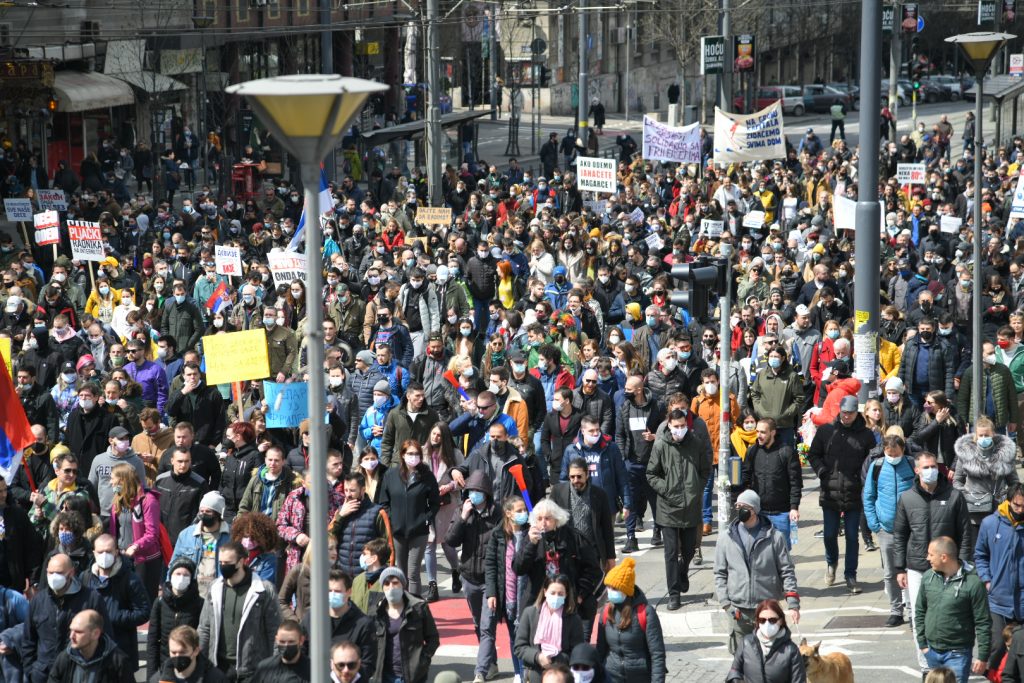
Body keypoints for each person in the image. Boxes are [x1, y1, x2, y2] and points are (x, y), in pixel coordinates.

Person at [894, 452, 972, 676]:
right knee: (919, 618)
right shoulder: (907, 499)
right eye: (926, 467)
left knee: (950, 614)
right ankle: (927, 667)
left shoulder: (954, 496)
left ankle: (952, 664)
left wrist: (964, 563)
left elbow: (965, 533)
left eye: (933, 466)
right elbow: (900, 535)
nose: (931, 470)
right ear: (917, 470)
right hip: (918, 566)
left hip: (948, 568)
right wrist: (900, 568)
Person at [713, 490, 800, 655]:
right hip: (739, 611)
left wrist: (793, 605)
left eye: (744, 507)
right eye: (738, 506)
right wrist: (726, 603)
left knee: (772, 658)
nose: (740, 510)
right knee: (742, 662)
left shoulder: (775, 537)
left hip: (767, 610)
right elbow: (720, 573)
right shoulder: (726, 538)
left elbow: (787, 571)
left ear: (755, 510)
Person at [806, 395, 876, 593]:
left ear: (857, 413)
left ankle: (851, 575)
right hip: (830, 491)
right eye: (844, 413)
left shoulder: (865, 435)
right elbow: (813, 454)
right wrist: (822, 472)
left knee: (852, 537)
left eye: (850, 414)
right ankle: (831, 562)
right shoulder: (827, 431)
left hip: (854, 492)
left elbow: (871, 461)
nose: (846, 417)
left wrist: (865, 482)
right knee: (829, 535)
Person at [646, 409, 712, 611]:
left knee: (690, 548)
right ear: (669, 425)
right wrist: (666, 489)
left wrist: (696, 488)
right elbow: (651, 474)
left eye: (683, 426)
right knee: (671, 553)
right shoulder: (660, 445)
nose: (680, 429)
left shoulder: (696, 443)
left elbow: (705, 470)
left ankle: (683, 571)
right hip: (668, 508)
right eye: (676, 426)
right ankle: (674, 593)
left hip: (691, 506)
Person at [444, 471, 501, 683]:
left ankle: (481, 672)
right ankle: (491, 663)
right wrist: (463, 517)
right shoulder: (462, 510)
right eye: (471, 491)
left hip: (490, 580)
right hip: (469, 576)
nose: (474, 495)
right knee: (478, 624)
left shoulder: (497, 513)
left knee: (487, 626)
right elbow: (451, 540)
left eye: (478, 491)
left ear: (486, 493)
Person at [19, 553, 111, 683]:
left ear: (71, 573)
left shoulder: (91, 599)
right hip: (43, 675)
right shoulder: (38, 600)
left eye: (59, 572)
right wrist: (31, 671)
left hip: (78, 674)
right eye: (50, 573)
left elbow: (105, 637)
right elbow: (28, 640)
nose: (54, 577)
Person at [197, 541, 281, 681]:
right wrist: (200, 663)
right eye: (221, 563)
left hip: (252, 669)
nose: (223, 566)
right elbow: (205, 628)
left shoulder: (264, 591)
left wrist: (274, 666)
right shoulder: (214, 588)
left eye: (228, 563)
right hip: (219, 667)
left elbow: (274, 631)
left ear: (241, 561)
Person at [512, 499, 602, 628]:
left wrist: (580, 595)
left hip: (568, 602)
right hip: (539, 602)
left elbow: (593, 569)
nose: (543, 523)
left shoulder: (573, 537)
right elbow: (518, 568)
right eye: (539, 519)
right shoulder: (530, 538)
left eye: (548, 518)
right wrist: (531, 545)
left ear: (556, 519)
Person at [915, 536, 991, 683]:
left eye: (931, 554)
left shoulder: (973, 583)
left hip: (958, 654)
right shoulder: (928, 577)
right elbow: (919, 611)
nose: (927, 558)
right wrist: (923, 645)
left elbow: (983, 622)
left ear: (944, 557)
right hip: (932, 651)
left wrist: (983, 656)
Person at [862, 434, 917, 627]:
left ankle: (912, 612)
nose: (892, 456)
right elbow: (868, 496)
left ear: (903, 450)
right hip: (886, 529)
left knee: (911, 570)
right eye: (889, 452)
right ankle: (895, 610)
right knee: (890, 572)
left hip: (910, 529)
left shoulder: (911, 464)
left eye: (896, 452)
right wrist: (874, 524)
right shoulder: (876, 467)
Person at [81, 533, 151, 671]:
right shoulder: (85, 577)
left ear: (116, 552)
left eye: (108, 551)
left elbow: (144, 611)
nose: (104, 555)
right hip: (91, 650)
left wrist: (116, 616)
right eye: (100, 552)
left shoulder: (130, 579)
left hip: (121, 649)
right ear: (94, 553)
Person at [974, 482, 1024, 670]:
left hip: (1022, 601)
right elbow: (980, 554)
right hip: (998, 599)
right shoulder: (990, 523)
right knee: (997, 647)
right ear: (1008, 502)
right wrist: (987, 580)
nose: (1020, 510)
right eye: (1017, 505)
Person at [379, 439, 438, 596]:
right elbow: (384, 502)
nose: (414, 457)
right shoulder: (391, 475)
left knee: (413, 573)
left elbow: (435, 502)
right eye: (410, 453)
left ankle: (415, 610)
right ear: (403, 455)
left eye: (417, 454)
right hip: (397, 531)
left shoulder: (427, 476)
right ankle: (402, 605)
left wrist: (426, 518)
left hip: (419, 531)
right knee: (401, 572)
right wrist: (392, 519)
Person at [953, 416, 1019, 553]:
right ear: (975, 436)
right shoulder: (966, 454)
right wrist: (968, 496)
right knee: (977, 552)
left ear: (993, 435)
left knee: (999, 551)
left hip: (999, 511)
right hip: (974, 513)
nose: (983, 438)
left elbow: (1014, 483)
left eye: (986, 435)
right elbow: (957, 481)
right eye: (981, 435)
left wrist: (1006, 498)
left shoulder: (1005, 454)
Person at [595, 557, 667, 683]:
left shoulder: (646, 613)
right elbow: (600, 651)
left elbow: (657, 654)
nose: (610, 592)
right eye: (609, 587)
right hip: (612, 676)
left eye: (615, 588)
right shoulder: (606, 612)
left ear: (626, 591)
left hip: (640, 677)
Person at [483, 496, 529, 683]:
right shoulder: (498, 534)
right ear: (508, 513)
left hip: (528, 592)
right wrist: (492, 593)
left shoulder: (530, 532)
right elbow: (491, 564)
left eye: (524, 510)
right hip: (509, 594)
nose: (523, 514)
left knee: (529, 636)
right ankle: (518, 672)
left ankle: (528, 672)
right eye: (518, 511)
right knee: (514, 635)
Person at [740, 417, 802, 549]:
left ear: (773, 432)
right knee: (758, 551)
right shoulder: (753, 451)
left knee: (782, 552)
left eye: (763, 432)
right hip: (758, 513)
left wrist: (794, 507)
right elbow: (745, 476)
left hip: (781, 513)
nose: (759, 436)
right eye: (757, 432)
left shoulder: (786, 452)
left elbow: (795, 481)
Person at [371, 566, 440, 683]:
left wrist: (423, 660)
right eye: (387, 584)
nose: (391, 587)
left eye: (395, 583)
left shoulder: (419, 608)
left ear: (403, 585)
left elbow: (433, 638)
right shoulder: (376, 612)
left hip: (412, 676)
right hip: (384, 676)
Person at [513, 575, 585, 683]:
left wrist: (557, 660)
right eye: (553, 593)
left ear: (566, 595)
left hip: (561, 675)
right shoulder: (530, 613)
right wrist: (538, 657)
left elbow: (578, 653)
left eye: (560, 594)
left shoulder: (573, 619)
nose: (556, 597)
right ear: (545, 592)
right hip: (534, 673)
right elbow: (519, 647)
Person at [550, 458, 616, 575]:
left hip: (593, 553)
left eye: (579, 476)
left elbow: (607, 529)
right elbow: (550, 521)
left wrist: (610, 557)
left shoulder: (599, 495)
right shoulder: (558, 492)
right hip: (567, 553)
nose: (576, 480)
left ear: (587, 474)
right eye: (572, 477)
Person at [146, 557, 204, 680]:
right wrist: (151, 675)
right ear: (171, 575)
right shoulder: (160, 602)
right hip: (165, 666)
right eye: (178, 573)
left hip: (190, 668)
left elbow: (202, 638)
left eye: (186, 575)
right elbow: (152, 640)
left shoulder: (199, 604)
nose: (181, 578)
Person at [725, 599, 806, 683]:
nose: (767, 624)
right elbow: (734, 672)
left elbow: (799, 680)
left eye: (772, 620)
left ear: (781, 621)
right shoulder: (746, 643)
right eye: (762, 620)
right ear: (757, 621)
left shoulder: (791, 650)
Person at [47, 610, 134, 683]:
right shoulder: (64, 658)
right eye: (71, 630)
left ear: (95, 634)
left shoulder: (118, 662)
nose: (71, 636)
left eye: (78, 632)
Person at [149, 624, 227, 683]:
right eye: (173, 652)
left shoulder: (216, 679)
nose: (177, 656)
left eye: (183, 652)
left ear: (196, 651)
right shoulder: (158, 680)